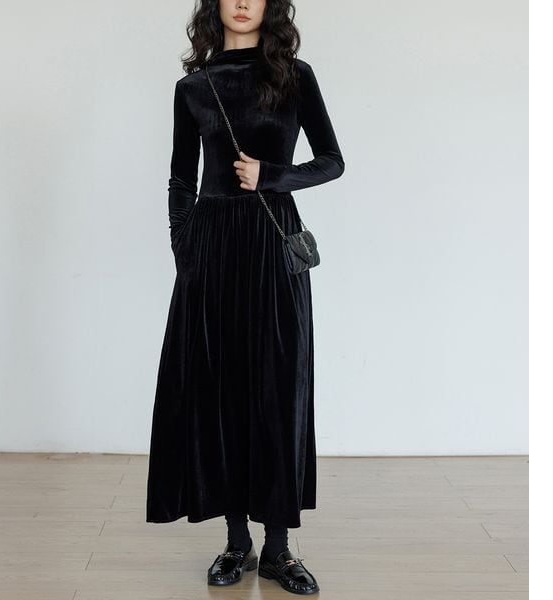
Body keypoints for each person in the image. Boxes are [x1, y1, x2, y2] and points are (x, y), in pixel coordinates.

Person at [146, 0, 344, 594]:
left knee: (279, 388)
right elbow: (181, 177)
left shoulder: (295, 76)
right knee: (221, 390)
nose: (240, 2)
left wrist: (272, 176)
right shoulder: (193, 88)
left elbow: (332, 161)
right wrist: (185, 251)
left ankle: (279, 549)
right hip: (212, 251)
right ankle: (238, 543)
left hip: (274, 245)